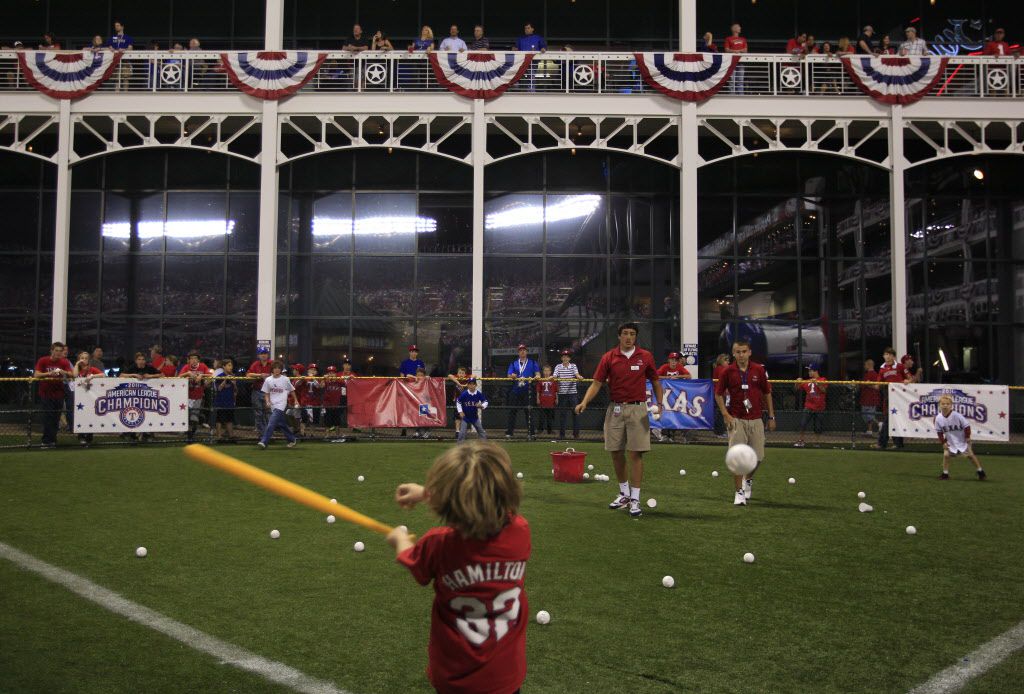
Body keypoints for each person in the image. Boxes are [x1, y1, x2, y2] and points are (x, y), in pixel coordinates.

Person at [386, 442, 529, 694]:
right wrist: (426, 493)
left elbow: (414, 563)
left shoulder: (439, 543)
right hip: (506, 676)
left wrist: (400, 540)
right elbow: (486, 499)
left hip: (456, 679)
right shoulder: (520, 531)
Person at [574, 323, 663, 519]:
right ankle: (624, 494)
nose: (629, 337)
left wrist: (660, 404)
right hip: (615, 408)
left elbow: (656, 382)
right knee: (615, 452)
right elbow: (597, 383)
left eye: (632, 334)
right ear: (619, 336)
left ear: (636, 337)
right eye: (625, 334)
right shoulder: (609, 357)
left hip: (638, 409)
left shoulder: (645, 356)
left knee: (635, 455)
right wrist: (584, 402)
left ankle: (635, 499)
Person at [714, 339, 775, 506]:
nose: (741, 355)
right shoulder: (727, 372)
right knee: (737, 457)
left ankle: (748, 479)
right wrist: (725, 414)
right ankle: (739, 492)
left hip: (756, 419)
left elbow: (767, 393)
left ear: (749, 352)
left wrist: (771, 416)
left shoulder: (758, 370)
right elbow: (718, 394)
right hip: (736, 419)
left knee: (758, 457)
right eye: (737, 352)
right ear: (733, 353)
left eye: (744, 351)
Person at [935, 394, 986, 481]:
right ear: (939, 405)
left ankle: (980, 471)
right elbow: (939, 432)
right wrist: (943, 442)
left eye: (947, 404)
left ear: (951, 405)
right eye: (943, 404)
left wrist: (967, 437)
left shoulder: (956, 415)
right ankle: (945, 474)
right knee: (946, 455)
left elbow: (966, 426)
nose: (945, 405)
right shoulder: (938, 418)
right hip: (950, 441)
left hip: (962, 440)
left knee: (970, 455)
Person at [35, 342, 74, 448]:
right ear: (51, 350)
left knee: (56, 418)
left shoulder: (64, 362)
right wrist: (48, 374)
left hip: (59, 394)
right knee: (48, 417)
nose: (58, 353)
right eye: (56, 350)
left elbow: (72, 374)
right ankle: (46, 441)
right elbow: (36, 374)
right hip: (46, 393)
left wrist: (63, 372)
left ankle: (52, 440)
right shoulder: (43, 360)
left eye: (60, 351)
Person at [258, 361, 298, 449]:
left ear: (281, 370)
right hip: (273, 404)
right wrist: (267, 401)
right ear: (272, 369)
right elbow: (266, 392)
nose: (277, 370)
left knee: (271, 423)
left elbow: (291, 390)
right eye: (275, 368)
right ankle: (292, 439)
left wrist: (296, 400)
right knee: (281, 423)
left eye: (279, 368)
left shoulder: (285, 379)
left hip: (281, 404)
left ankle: (264, 441)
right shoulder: (268, 380)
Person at [655, 351, 692, 443]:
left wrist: (677, 376)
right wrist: (666, 378)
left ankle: (676, 434)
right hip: (665, 396)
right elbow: (655, 376)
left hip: (676, 396)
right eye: (672, 360)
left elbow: (689, 376)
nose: (674, 362)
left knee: (677, 413)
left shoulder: (680, 367)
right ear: (669, 360)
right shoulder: (664, 367)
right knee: (666, 413)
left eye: (676, 360)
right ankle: (664, 433)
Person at [505, 344, 540, 440]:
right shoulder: (513, 363)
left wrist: (537, 377)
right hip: (515, 390)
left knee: (529, 412)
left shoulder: (533, 363)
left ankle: (531, 433)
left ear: (527, 351)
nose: (522, 351)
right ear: (518, 352)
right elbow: (509, 375)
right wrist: (512, 376)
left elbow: (538, 374)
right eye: (520, 350)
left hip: (528, 390)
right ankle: (509, 433)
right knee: (512, 412)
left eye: (524, 350)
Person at [874, 347, 905, 450]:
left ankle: (883, 443)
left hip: (899, 396)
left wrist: (907, 381)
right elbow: (878, 383)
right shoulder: (882, 369)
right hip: (888, 396)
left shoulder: (900, 367)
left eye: (889, 354)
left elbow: (909, 378)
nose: (887, 356)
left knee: (892, 419)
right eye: (885, 354)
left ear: (893, 356)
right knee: (890, 419)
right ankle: (896, 443)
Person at [72, 350, 104, 447]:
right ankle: (81, 437)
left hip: (90, 397)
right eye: (82, 358)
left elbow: (103, 375)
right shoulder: (78, 368)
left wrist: (93, 376)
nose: (84, 360)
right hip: (79, 398)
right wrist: (77, 364)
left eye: (86, 358)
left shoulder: (92, 369)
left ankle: (89, 437)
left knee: (90, 415)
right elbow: (74, 375)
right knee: (80, 416)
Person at [179, 350, 211, 443]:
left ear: (198, 360)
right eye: (191, 358)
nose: (193, 360)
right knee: (187, 415)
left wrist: (202, 376)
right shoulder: (186, 367)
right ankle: (188, 433)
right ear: (188, 360)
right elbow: (179, 376)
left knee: (194, 415)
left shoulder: (203, 366)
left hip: (198, 396)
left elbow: (210, 376)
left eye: (195, 358)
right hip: (186, 396)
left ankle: (191, 434)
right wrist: (188, 373)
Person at [794, 364, 827, 448]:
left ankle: (816, 443)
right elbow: (797, 388)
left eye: (810, 370)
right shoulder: (807, 381)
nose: (809, 372)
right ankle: (801, 441)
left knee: (818, 427)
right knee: (803, 424)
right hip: (808, 407)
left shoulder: (823, 379)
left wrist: (817, 383)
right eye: (809, 370)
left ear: (815, 371)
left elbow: (824, 390)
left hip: (819, 408)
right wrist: (797, 382)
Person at [552, 349, 581, 440]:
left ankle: (576, 435)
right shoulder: (558, 366)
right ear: (561, 358)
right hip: (562, 394)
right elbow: (555, 376)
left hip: (573, 393)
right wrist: (552, 377)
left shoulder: (573, 366)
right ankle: (562, 435)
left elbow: (577, 375)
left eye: (567, 356)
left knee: (576, 413)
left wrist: (579, 377)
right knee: (562, 415)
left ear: (569, 358)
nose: (565, 358)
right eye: (563, 356)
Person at [400, 345, 426, 438]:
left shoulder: (420, 362)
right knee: (406, 409)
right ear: (409, 352)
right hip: (408, 388)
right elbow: (403, 376)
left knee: (420, 409)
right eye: (412, 351)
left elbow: (423, 375)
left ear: (417, 353)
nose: (414, 353)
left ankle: (419, 430)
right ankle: (404, 429)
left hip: (419, 390)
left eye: (415, 351)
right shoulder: (404, 363)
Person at [248, 346, 273, 436]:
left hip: (269, 392)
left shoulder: (272, 363)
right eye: (262, 354)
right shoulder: (255, 364)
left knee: (269, 413)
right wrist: (259, 375)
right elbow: (248, 375)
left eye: (265, 353)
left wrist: (269, 375)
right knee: (259, 413)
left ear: (267, 354)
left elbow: (281, 373)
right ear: (259, 355)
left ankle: (269, 433)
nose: (263, 355)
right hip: (257, 391)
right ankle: (262, 433)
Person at [455, 378, 488, 442]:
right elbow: (458, 402)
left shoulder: (478, 394)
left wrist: (481, 405)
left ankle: (484, 445)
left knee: (481, 431)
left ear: (476, 385)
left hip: (474, 417)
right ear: (467, 385)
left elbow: (486, 402)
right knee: (462, 432)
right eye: (470, 384)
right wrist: (460, 411)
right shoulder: (464, 394)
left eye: (473, 384)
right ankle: (459, 447)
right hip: (465, 417)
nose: (471, 386)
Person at [214, 358, 237, 442]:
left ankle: (231, 436)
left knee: (229, 419)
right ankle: (219, 437)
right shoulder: (219, 376)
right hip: (220, 401)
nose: (231, 367)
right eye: (229, 365)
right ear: (224, 366)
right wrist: (225, 379)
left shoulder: (233, 376)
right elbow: (218, 389)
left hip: (229, 401)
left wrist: (234, 384)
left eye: (231, 365)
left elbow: (235, 391)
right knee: (219, 419)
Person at [724, 23, 748, 93]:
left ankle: (741, 95)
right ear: (734, 29)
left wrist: (739, 51)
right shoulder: (728, 39)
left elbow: (745, 50)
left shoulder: (743, 39)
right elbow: (727, 50)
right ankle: (732, 95)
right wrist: (735, 51)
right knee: (732, 80)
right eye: (739, 27)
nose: (740, 28)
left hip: (741, 62)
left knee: (740, 80)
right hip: (731, 62)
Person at [447, 366, 470, 437]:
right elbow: (449, 375)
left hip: (466, 401)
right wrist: (458, 383)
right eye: (459, 373)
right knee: (457, 416)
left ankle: (463, 431)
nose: (461, 374)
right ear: (457, 373)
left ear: (465, 374)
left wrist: (467, 384)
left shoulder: (466, 379)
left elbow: (474, 376)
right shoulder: (456, 378)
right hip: (457, 401)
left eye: (463, 373)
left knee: (465, 416)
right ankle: (457, 431)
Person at [860, 358, 881, 435]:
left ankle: (880, 424)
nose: (864, 366)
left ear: (869, 365)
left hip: (871, 398)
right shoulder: (867, 374)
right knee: (865, 414)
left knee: (869, 414)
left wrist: (868, 384)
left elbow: (876, 386)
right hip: (866, 397)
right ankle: (869, 430)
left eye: (865, 364)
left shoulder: (874, 374)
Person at [535, 365, 558, 437]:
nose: (546, 372)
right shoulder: (540, 380)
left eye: (548, 371)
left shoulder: (553, 380)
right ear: (543, 372)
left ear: (551, 372)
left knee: (550, 417)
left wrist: (557, 398)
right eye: (545, 371)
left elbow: (556, 391)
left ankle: (550, 430)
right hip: (543, 401)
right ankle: (540, 429)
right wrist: (538, 399)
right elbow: (538, 391)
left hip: (551, 401)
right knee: (541, 417)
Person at [712, 353, 731, 437]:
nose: (728, 362)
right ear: (721, 361)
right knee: (720, 412)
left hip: (720, 393)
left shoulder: (719, 368)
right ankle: (719, 432)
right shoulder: (721, 369)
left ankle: (720, 431)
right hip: (720, 394)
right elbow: (723, 382)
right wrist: (727, 391)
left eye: (728, 360)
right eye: (726, 360)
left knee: (721, 412)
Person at [322, 365, 344, 432]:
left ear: (335, 374)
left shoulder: (339, 381)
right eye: (329, 373)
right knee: (327, 422)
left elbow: (345, 383)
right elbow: (321, 386)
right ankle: (327, 436)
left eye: (333, 373)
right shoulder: (326, 381)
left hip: (336, 404)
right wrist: (323, 379)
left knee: (337, 421)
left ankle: (337, 436)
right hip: (327, 404)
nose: (331, 374)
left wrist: (337, 379)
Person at [301, 362, 322, 431]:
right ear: (308, 371)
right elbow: (297, 384)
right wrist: (301, 379)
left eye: (315, 370)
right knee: (303, 419)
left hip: (315, 402)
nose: (313, 371)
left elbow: (318, 386)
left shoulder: (319, 379)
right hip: (305, 402)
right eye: (311, 369)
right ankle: (302, 433)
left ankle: (312, 434)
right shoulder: (304, 378)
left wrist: (313, 378)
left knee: (314, 421)